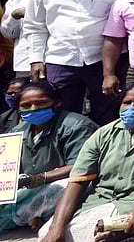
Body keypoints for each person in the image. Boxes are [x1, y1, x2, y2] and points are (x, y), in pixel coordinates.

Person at [37, 80, 134, 242]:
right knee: (47, 236)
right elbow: (78, 181)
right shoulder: (103, 134)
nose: (132, 108)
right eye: (127, 103)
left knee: (93, 237)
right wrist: (56, 227)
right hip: (100, 201)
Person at [24, 0, 125, 125]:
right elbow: (35, 25)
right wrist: (36, 59)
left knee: (107, 111)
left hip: (103, 61)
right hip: (61, 59)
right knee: (63, 114)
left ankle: (102, 150)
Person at [0, 81, 97, 233]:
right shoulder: (18, 131)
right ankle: (32, 216)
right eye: (26, 105)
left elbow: (79, 167)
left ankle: (34, 217)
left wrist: (37, 179)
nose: (34, 108)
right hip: (29, 186)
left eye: (42, 103)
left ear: (57, 102)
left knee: (60, 188)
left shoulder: (76, 125)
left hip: (64, 184)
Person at [1, 0, 50, 78]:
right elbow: (7, 33)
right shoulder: (14, 2)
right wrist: (15, 15)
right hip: (24, 63)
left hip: (53, 61)